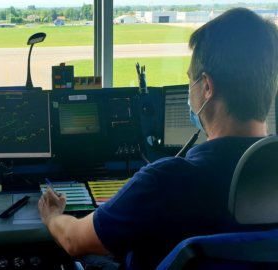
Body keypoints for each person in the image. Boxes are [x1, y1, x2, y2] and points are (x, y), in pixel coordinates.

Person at [39, 7, 278, 270]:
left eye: (191, 80)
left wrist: (52, 216)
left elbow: (73, 240)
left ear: (207, 87)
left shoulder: (165, 181)